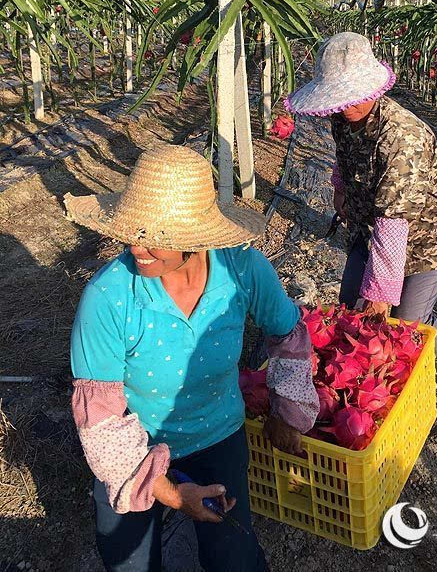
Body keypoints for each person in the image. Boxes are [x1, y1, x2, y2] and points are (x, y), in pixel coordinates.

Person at [63, 144, 319, 572]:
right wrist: (170, 493)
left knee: (233, 559)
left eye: (154, 236)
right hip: (134, 443)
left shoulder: (243, 272)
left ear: (195, 239)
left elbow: (288, 333)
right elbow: (101, 418)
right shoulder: (108, 297)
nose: (134, 246)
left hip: (217, 432)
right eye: (132, 230)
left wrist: (287, 409)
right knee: (128, 563)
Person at [285, 32, 437, 414]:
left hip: (424, 237)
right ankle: (360, 385)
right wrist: (340, 188)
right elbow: (344, 160)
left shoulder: (402, 137)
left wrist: (381, 292)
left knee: (406, 322)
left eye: (351, 95)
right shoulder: (343, 118)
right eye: (338, 97)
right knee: (350, 311)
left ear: (373, 88)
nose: (345, 106)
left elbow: (394, 221)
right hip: (371, 226)